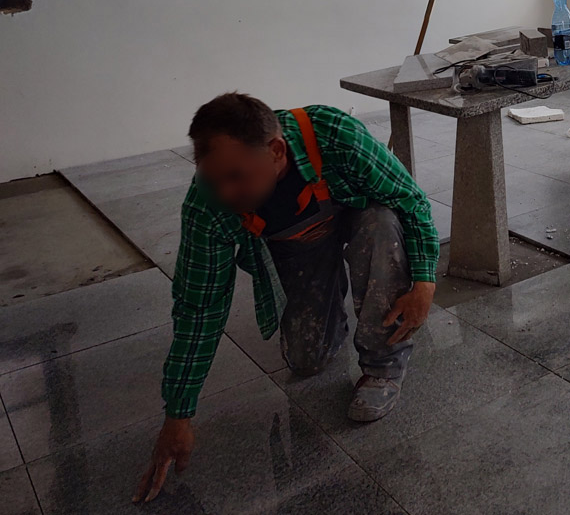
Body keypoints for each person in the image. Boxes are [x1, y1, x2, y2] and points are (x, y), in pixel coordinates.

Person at [133, 93, 438, 503]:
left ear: (276, 151)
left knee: (381, 224)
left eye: (236, 177)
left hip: (359, 217)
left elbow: (410, 200)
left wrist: (424, 281)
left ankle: (383, 365)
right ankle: (332, 306)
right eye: (214, 179)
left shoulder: (335, 135)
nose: (225, 192)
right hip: (301, 245)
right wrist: (178, 413)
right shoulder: (208, 204)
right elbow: (199, 307)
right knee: (306, 360)